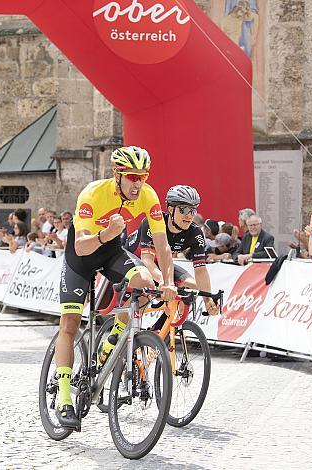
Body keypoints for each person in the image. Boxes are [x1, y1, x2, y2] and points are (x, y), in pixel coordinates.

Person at [55, 146, 176, 429]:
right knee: (69, 324)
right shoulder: (93, 194)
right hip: (82, 255)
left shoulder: (148, 194)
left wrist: (168, 281)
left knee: (146, 284)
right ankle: (64, 399)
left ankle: (111, 342)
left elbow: (163, 245)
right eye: (132, 177)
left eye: (143, 177)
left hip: (112, 251)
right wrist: (105, 233)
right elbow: (80, 246)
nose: (138, 183)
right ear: (117, 174)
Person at [125, 185, 221, 329]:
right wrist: (165, 283)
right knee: (146, 289)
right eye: (184, 209)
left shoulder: (195, 233)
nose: (189, 215)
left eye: (193, 210)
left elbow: (201, 270)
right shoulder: (153, 222)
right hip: (136, 259)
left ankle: (158, 334)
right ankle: (117, 336)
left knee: (192, 287)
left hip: (161, 263)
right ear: (170, 209)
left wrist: (207, 300)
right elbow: (147, 261)